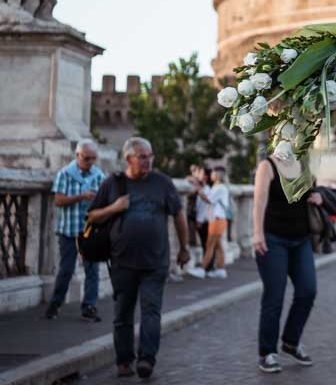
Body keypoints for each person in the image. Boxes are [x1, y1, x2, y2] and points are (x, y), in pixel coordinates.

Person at [87, 137, 190, 380]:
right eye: (143, 156)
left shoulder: (162, 183)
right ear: (128, 159)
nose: (148, 161)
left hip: (155, 262)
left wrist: (184, 247)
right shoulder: (113, 183)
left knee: (151, 310)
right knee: (123, 313)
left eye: (150, 156)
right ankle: (124, 360)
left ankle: (146, 358)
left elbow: (179, 215)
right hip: (122, 262)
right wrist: (114, 208)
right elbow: (91, 216)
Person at [252, 153, 324, 373]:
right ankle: (267, 353)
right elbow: (259, 202)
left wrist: (318, 196)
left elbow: (311, 192)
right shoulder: (267, 165)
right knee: (275, 296)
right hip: (273, 240)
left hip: (300, 239)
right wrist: (257, 234)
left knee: (307, 291)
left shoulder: (302, 163)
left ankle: (291, 342)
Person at [46, 138, 105, 321]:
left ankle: (89, 306)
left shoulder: (99, 176)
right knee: (66, 269)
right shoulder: (65, 174)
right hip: (69, 230)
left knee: (92, 270)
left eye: (93, 158)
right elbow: (59, 200)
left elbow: (105, 202)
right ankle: (55, 304)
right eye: (87, 158)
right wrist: (81, 196)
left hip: (90, 231)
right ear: (78, 156)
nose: (90, 162)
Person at [188, 169, 229, 279]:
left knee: (209, 245)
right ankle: (221, 269)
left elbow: (208, 199)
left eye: (213, 173)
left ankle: (202, 268)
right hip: (217, 219)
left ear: (217, 175)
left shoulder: (219, 188)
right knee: (218, 246)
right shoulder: (219, 187)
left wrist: (198, 188)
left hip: (217, 219)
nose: (211, 175)